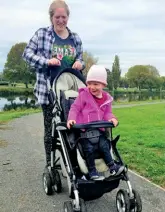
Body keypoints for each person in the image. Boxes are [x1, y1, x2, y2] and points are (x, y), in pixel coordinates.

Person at [22, 0, 85, 166]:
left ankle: (74, 163)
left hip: (71, 92)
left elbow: (81, 59)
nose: (61, 20)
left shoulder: (75, 38)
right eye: (57, 17)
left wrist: (80, 63)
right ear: (51, 17)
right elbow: (27, 54)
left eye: (64, 17)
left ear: (68, 17)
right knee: (50, 129)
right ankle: (50, 164)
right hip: (48, 90)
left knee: (73, 126)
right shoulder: (42, 34)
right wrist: (46, 61)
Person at [67, 65, 124, 180]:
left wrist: (112, 118)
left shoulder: (106, 99)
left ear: (103, 85)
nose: (92, 87)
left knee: (105, 146)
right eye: (89, 83)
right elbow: (75, 108)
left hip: (100, 131)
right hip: (85, 132)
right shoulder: (83, 95)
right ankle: (92, 172)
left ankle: (112, 167)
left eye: (96, 84)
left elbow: (108, 113)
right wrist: (71, 118)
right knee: (88, 150)